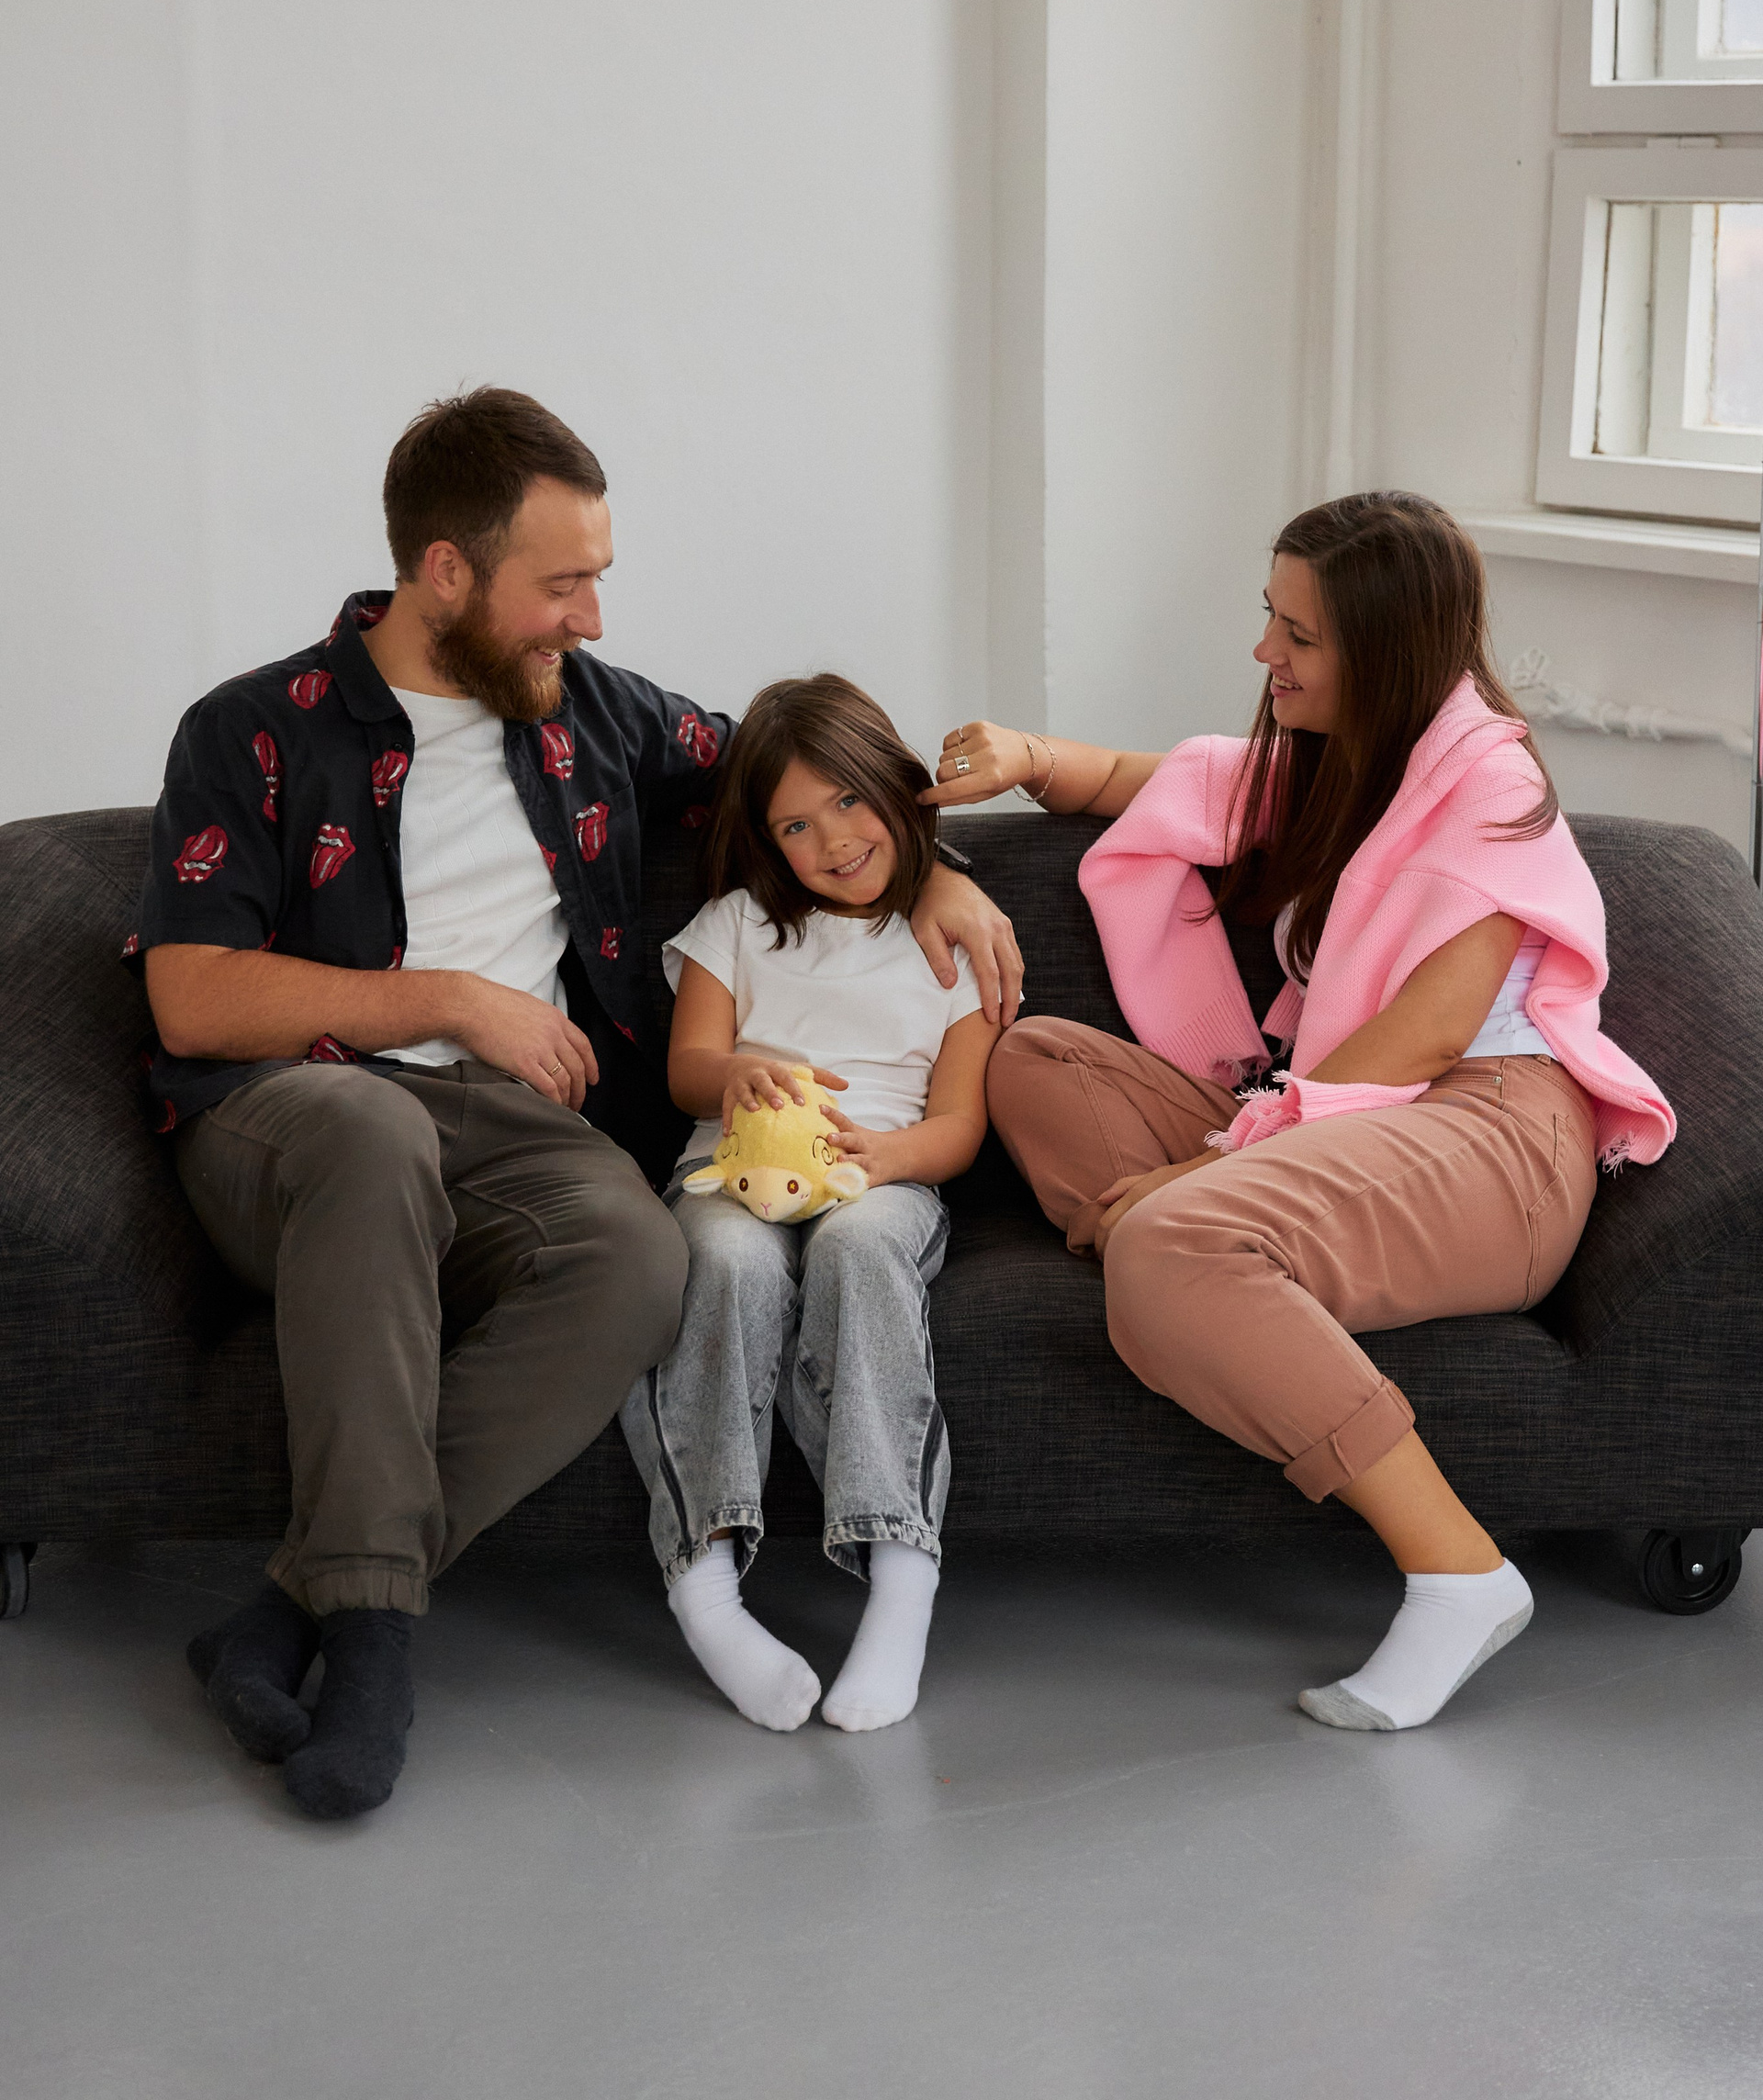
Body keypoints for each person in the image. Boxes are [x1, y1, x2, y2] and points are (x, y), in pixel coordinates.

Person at [132, 388, 1020, 1818]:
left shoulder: (593, 714)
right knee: (371, 1131)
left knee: (642, 1259)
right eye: (562, 586)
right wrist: (447, 998)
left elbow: (802, 777)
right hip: (295, 1113)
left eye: (597, 580)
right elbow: (189, 997)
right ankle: (374, 1651)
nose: (592, 620)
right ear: (446, 572)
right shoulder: (249, 731)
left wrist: (942, 871)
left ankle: (296, 1605)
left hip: (517, 1133)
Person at [928, 491, 1674, 1733]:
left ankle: (1458, 1571)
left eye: (1300, 635)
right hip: (1355, 1117)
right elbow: (1168, 785)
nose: (1264, 652)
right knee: (1036, 1059)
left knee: (1169, 1240)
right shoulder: (1359, 768)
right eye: (1269, 618)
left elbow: (1428, 1036)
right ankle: (1213, 1278)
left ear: (1383, 649)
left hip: (1492, 1140)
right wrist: (1028, 756)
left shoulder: (1487, 788)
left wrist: (1217, 1162)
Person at [621, 675, 998, 1733]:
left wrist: (886, 1158)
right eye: (795, 824)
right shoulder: (737, 925)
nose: (831, 840)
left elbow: (960, 1127)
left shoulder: (951, 945)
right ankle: (704, 1584)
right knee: (726, 1261)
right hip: (732, 1168)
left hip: (883, 1175)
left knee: (859, 1252)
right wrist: (734, 1070)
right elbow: (687, 1070)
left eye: (847, 801)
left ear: (894, 786)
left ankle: (901, 1577)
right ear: (766, 839)